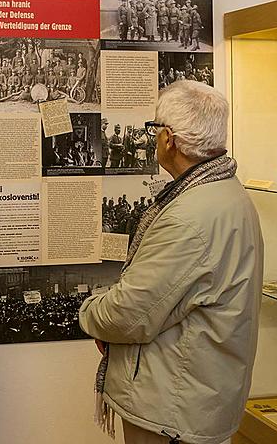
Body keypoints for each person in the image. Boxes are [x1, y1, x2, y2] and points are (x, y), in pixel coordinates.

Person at [79, 80, 263, 444]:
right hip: (198, 392)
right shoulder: (228, 194)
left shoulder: (188, 217)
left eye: (154, 129)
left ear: (168, 138)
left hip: (173, 407)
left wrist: (89, 311)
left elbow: (131, 315)